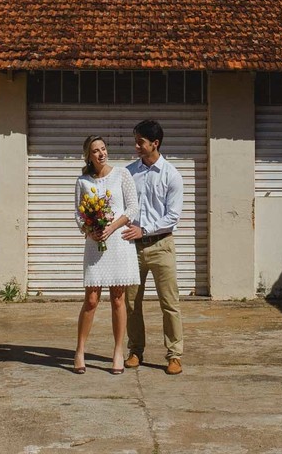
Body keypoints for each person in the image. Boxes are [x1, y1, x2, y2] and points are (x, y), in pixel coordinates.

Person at [120, 119, 185, 375]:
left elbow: (173, 216)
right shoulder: (128, 173)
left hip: (161, 246)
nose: (136, 146)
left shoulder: (171, 175)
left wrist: (145, 229)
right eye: (135, 141)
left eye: (141, 142)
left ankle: (174, 355)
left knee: (169, 303)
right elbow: (122, 207)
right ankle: (135, 351)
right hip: (132, 248)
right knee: (131, 303)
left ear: (155, 143)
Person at [73, 135, 140, 374]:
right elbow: (79, 214)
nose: (101, 153)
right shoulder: (83, 181)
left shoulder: (122, 174)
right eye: (96, 151)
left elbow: (132, 208)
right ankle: (80, 350)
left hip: (118, 242)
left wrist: (112, 227)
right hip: (95, 243)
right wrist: (89, 230)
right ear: (88, 156)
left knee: (118, 299)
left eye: (103, 149)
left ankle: (118, 351)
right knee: (91, 299)